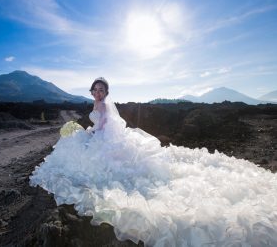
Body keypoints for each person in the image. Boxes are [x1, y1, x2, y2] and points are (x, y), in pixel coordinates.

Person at [30, 77, 277, 247]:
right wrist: (90, 130)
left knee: (86, 152)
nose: (98, 92)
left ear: (106, 92)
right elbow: (99, 124)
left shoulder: (104, 106)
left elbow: (102, 126)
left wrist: (89, 133)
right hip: (103, 135)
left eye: (101, 90)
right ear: (91, 91)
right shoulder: (97, 103)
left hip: (106, 138)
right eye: (95, 89)